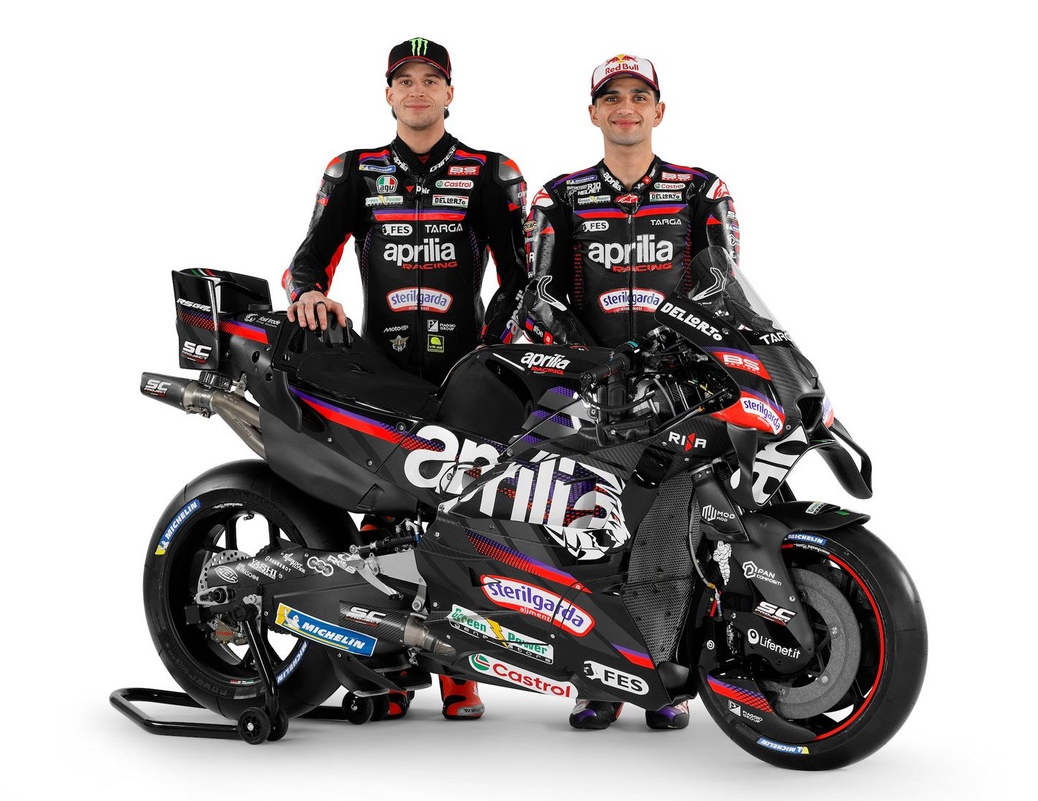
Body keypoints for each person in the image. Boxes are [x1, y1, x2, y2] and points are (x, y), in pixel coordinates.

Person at [282, 37, 530, 720]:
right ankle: (383, 674)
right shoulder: (354, 171)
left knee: (465, 518)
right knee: (383, 514)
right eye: (405, 80)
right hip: (381, 372)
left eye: (430, 80)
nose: (418, 91)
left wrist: (494, 352)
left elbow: (521, 276)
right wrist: (309, 294)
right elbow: (306, 261)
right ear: (388, 93)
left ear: (450, 93)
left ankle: (461, 674)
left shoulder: (491, 172)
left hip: (467, 372)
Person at [515, 54, 740, 731]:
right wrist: (592, 363)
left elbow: (725, 288)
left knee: (668, 538)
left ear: (659, 110)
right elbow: (538, 293)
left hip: (678, 396)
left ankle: (662, 680)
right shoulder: (559, 196)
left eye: (639, 96)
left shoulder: (701, 190)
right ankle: (597, 680)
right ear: (593, 112)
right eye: (612, 97)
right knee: (589, 535)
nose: (626, 108)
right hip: (590, 394)